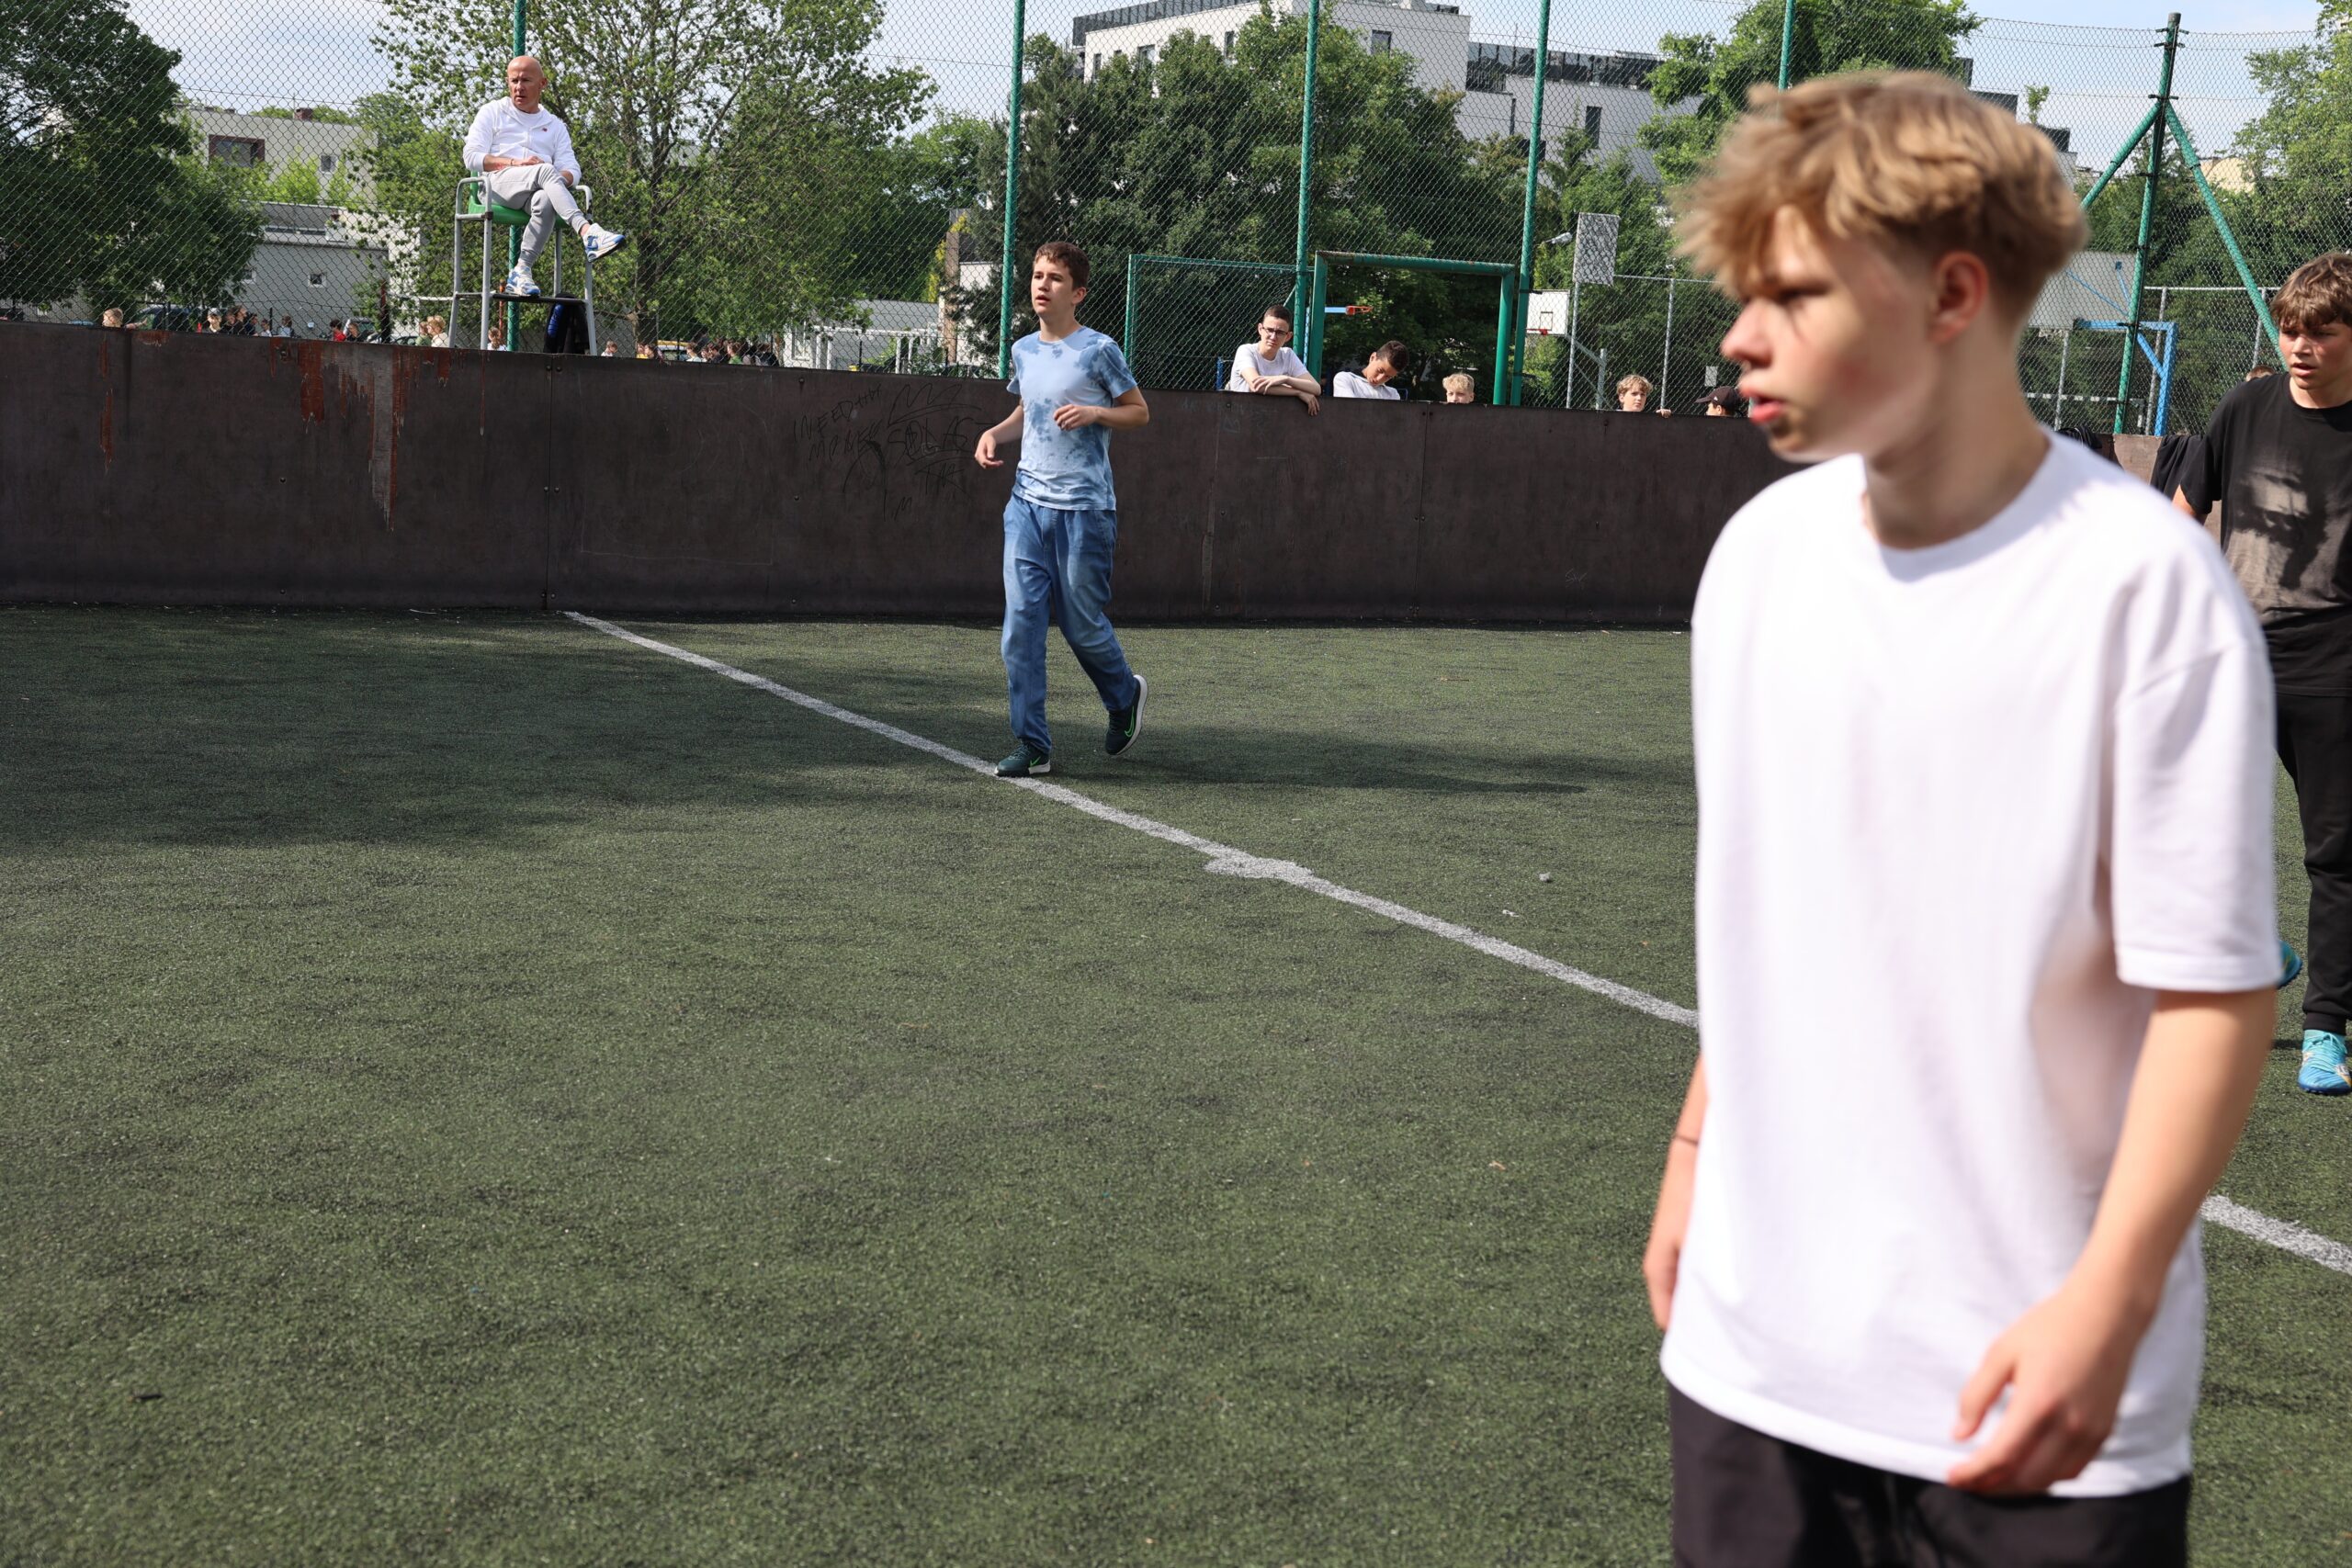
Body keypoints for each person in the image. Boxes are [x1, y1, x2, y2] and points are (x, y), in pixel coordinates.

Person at [1647, 72, 2277, 1567]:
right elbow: (1784, 912)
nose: (1740, 336)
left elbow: (2211, 995)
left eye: (1792, 293)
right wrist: (1691, 1155)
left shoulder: (2145, 592)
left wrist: (2107, 1302)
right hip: (1754, 1363)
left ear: (1951, 294)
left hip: (2034, 1386)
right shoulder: (1758, 559)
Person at [2177, 252, 2352, 1096]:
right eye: (2289, 330)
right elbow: (2183, 515)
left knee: (2336, 855)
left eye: (2321, 332)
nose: (2300, 347)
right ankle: (2249, 946)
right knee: (2173, 820)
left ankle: (2326, 1031)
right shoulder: (2245, 406)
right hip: (2235, 659)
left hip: (2336, 670)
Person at [971, 240, 1149, 779]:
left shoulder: (1099, 350)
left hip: (1084, 513)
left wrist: (1096, 413)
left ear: (1078, 293)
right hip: (1026, 507)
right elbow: (1028, 409)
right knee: (1020, 629)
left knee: (1082, 626)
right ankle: (1033, 745)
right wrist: (994, 433)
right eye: (1037, 276)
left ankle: (1124, 695)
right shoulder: (1023, 349)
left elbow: (1138, 412)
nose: (1042, 285)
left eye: (1054, 278)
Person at [462, 55, 627, 301]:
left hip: (534, 191)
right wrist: (515, 163)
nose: (519, 87)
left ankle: (521, 271)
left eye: (526, 80)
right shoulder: (492, 112)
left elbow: (572, 169)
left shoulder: (555, 125)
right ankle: (587, 232)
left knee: (546, 199)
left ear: (542, 84)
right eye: (514, 81)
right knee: (545, 170)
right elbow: (471, 157)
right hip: (495, 186)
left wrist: (553, 181)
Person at [1225, 304, 1320, 413]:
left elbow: (1316, 388)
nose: (1273, 337)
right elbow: (1257, 385)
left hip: (1274, 417)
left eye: (1280, 332)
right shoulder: (1245, 350)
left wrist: (1286, 379)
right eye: (1269, 330)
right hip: (1240, 416)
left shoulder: (1288, 355)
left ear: (1288, 336)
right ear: (1260, 329)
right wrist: (1298, 392)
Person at [1331, 341, 1406, 400]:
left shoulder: (1392, 394)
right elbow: (1350, 409)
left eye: (1388, 377)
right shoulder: (1346, 379)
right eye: (1380, 370)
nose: (1379, 379)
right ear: (1373, 357)